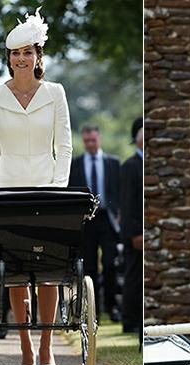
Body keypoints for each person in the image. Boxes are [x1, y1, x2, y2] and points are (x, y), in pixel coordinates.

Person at [0, 7, 71, 365]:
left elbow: (66, 145)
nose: (21, 58)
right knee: (13, 269)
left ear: (38, 56)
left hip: (47, 187)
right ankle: (25, 347)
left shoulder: (56, 93)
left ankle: (46, 347)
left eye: (28, 52)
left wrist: (59, 189)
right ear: (9, 58)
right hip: (8, 187)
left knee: (48, 270)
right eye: (15, 53)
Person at [69, 126, 121, 321]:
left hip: (108, 219)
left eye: (93, 140)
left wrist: (120, 214)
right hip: (86, 221)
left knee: (110, 263)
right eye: (87, 141)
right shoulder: (75, 165)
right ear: (84, 142)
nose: (90, 144)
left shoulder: (113, 163)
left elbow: (120, 191)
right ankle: (93, 309)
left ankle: (112, 306)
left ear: (99, 139)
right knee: (89, 266)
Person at [120, 117, 143, 340]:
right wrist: (134, 234)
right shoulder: (130, 166)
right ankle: (130, 321)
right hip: (134, 234)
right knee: (133, 277)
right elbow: (126, 205)